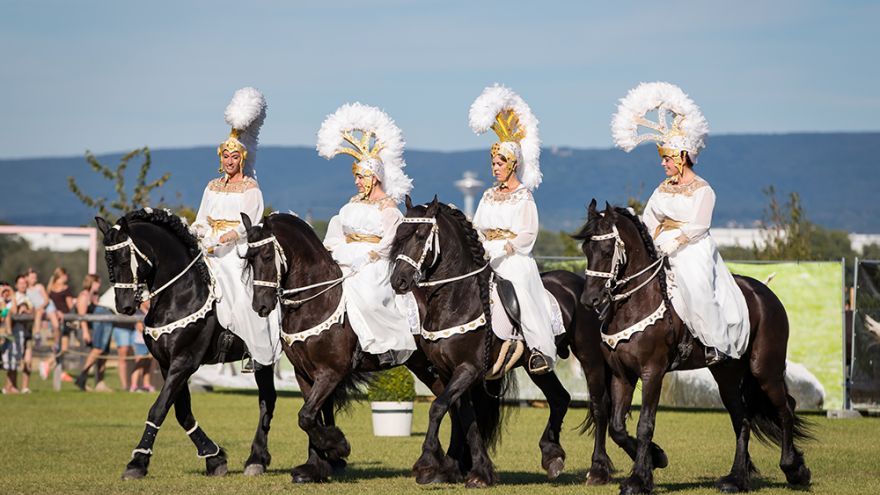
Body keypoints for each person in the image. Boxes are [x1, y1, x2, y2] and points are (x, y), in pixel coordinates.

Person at [611, 81, 749, 365]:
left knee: (697, 289)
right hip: (661, 247)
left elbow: (699, 226)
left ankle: (715, 343)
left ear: (683, 157)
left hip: (692, 249)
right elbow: (649, 219)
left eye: (668, 158)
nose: (663, 164)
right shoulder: (661, 189)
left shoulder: (703, 189)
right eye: (663, 159)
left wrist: (675, 240)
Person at [317, 102, 418, 366]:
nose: (357, 182)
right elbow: (337, 229)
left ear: (373, 177)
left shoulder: (388, 207)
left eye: (361, 177)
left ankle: (383, 345)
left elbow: (392, 239)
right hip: (346, 255)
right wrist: (333, 250)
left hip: (375, 261)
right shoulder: (351, 203)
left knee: (370, 296)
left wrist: (372, 254)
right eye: (357, 177)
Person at [469, 84, 561, 374]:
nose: (495, 167)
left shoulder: (524, 195)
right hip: (487, 253)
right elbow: (477, 226)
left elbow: (528, 232)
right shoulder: (486, 195)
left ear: (513, 164)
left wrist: (509, 246)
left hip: (513, 256)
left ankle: (537, 349)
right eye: (493, 163)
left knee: (520, 289)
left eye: (500, 163)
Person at [189, 87, 281, 370]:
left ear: (242, 159)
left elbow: (251, 224)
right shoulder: (211, 186)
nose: (229, 161)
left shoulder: (250, 188)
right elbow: (202, 217)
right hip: (210, 247)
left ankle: (256, 350)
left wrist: (230, 236)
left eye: (234, 157)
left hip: (236, 251)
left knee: (241, 297)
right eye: (226, 157)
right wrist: (197, 231)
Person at [74, 274, 113, 391]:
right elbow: (82, 316)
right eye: (97, 283)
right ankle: (82, 377)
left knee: (103, 352)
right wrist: (85, 332)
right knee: (98, 349)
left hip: (96, 327)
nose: (99, 285)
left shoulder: (94, 296)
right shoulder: (84, 295)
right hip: (90, 330)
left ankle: (99, 382)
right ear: (91, 282)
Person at [46, 267, 75, 381]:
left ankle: (59, 371)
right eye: (65, 275)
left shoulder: (50, 288)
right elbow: (70, 306)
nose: (67, 277)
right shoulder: (65, 289)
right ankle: (48, 363)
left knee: (59, 347)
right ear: (61, 275)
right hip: (63, 320)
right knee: (63, 347)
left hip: (55, 321)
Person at [26, 269, 54, 379]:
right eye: (31, 277)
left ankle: (38, 334)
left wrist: (41, 307)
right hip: (35, 311)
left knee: (40, 313)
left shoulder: (39, 287)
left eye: (34, 277)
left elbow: (46, 300)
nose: (34, 279)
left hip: (44, 309)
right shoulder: (26, 290)